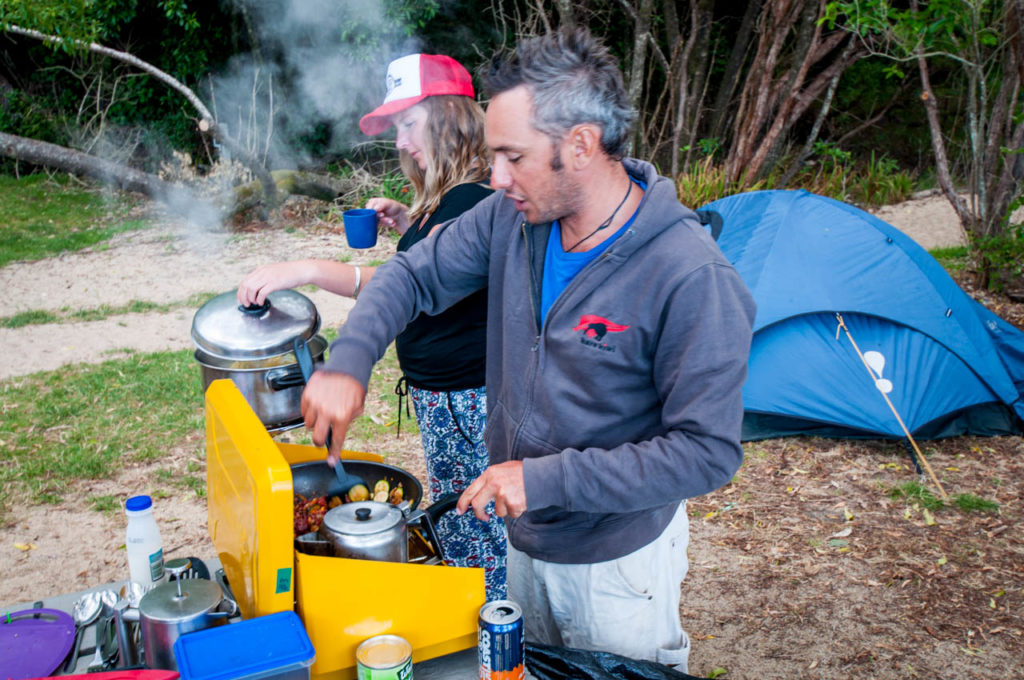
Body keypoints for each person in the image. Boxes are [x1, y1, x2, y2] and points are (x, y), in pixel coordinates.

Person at [300, 29, 756, 673]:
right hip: (525, 539)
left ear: (581, 144)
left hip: (615, 564)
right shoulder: (512, 220)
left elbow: (706, 452)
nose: (495, 177)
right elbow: (410, 275)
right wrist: (351, 359)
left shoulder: (689, 276)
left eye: (513, 156)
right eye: (493, 156)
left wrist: (541, 480)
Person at [237, 53, 507, 600]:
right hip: (447, 399)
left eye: (409, 124)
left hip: (467, 400)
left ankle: (494, 630)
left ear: (450, 119)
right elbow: (442, 268)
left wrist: (308, 269)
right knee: (459, 519)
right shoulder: (451, 199)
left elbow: (399, 282)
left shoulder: (473, 199)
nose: (402, 142)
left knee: (476, 534)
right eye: (396, 129)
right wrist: (411, 224)